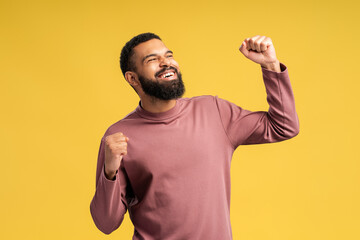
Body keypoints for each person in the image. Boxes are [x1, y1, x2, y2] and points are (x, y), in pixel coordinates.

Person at [90, 32, 299, 239]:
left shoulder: (214, 111)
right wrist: (109, 172)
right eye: (152, 59)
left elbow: (284, 125)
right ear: (132, 78)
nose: (166, 63)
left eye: (169, 55)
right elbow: (106, 223)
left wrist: (270, 64)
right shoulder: (119, 137)